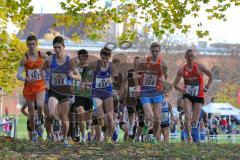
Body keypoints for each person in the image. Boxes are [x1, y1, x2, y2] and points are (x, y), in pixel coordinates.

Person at [41, 36, 81, 147]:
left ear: (64, 47)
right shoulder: (49, 59)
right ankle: (56, 122)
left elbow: (79, 77)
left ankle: (64, 138)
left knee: (64, 117)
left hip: (65, 92)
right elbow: (41, 69)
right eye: (55, 47)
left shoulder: (69, 61)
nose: (57, 50)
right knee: (51, 113)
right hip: (53, 91)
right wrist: (46, 82)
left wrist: (72, 75)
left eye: (59, 47)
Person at [174, 49, 213, 142]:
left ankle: (188, 129)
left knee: (194, 121)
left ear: (194, 57)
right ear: (185, 57)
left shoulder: (199, 67)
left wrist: (207, 87)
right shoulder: (182, 70)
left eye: (192, 56)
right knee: (187, 116)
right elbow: (175, 84)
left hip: (198, 96)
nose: (190, 58)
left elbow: (211, 75)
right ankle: (189, 137)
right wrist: (181, 90)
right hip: (187, 95)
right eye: (188, 56)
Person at [16, 35, 47, 142]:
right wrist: (26, 79)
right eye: (29, 44)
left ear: (36, 44)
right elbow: (18, 75)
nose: (31, 46)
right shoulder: (24, 58)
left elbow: (49, 65)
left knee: (39, 105)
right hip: (29, 87)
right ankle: (33, 132)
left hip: (40, 85)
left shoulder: (41, 54)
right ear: (27, 45)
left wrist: (46, 76)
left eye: (33, 44)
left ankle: (39, 121)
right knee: (31, 113)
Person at [137, 42, 168, 142]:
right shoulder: (144, 61)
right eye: (153, 51)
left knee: (158, 119)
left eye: (157, 51)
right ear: (150, 51)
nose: (155, 53)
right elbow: (135, 73)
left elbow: (165, 76)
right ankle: (147, 130)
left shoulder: (162, 63)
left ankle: (154, 137)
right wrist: (137, 86)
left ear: (159, 51)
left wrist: (164, 86)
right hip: (145, 93)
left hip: (157, 92)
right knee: (150, 116)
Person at [89, 47, 118, 143]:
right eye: (103, 58)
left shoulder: (112, 66)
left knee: (110, 118)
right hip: (96, 93)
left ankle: (108, 137)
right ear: (100, 56)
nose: (104, 61)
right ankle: (99, 133)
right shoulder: (94, 65)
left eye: (107, 58)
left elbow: (114, 78)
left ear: (109, 58)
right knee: (100, 116)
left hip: (107, 93)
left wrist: (111, 80)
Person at [71, 49, 94, 143]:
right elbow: (72, 79)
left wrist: (87, 84)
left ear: (87, 58)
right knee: (80, 114)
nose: (83, 60)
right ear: (79, 58)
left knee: (88, 118)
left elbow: (94, 82)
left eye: (85, 58)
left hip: (89, 95)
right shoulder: (75, 69)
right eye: (81, 58)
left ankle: (89, 123)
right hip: (78, 95)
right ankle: (83, 136)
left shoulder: (91, 69)